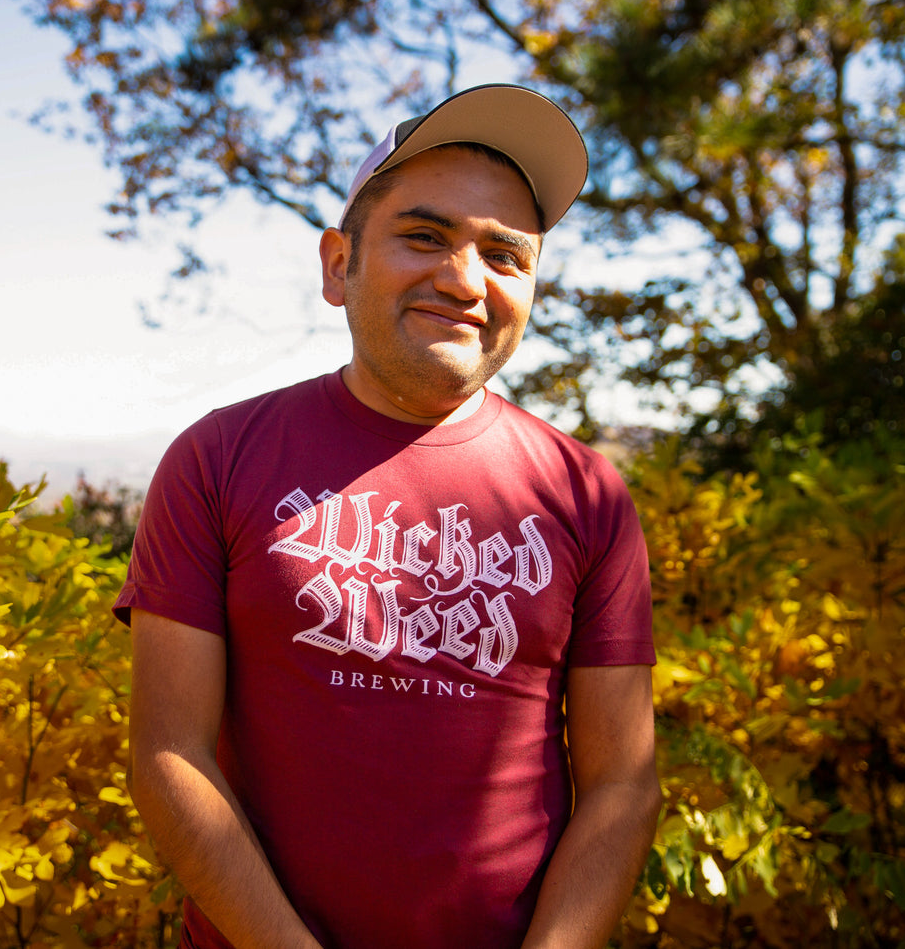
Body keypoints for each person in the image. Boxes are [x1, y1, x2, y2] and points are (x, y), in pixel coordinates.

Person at [115, 83, 661, 949]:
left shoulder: (585, 492)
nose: (463, 279)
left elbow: (622, 785)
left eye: (505, 254)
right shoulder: (217, 460)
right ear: (338, 265)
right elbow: (168, 752)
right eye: (424, 235)